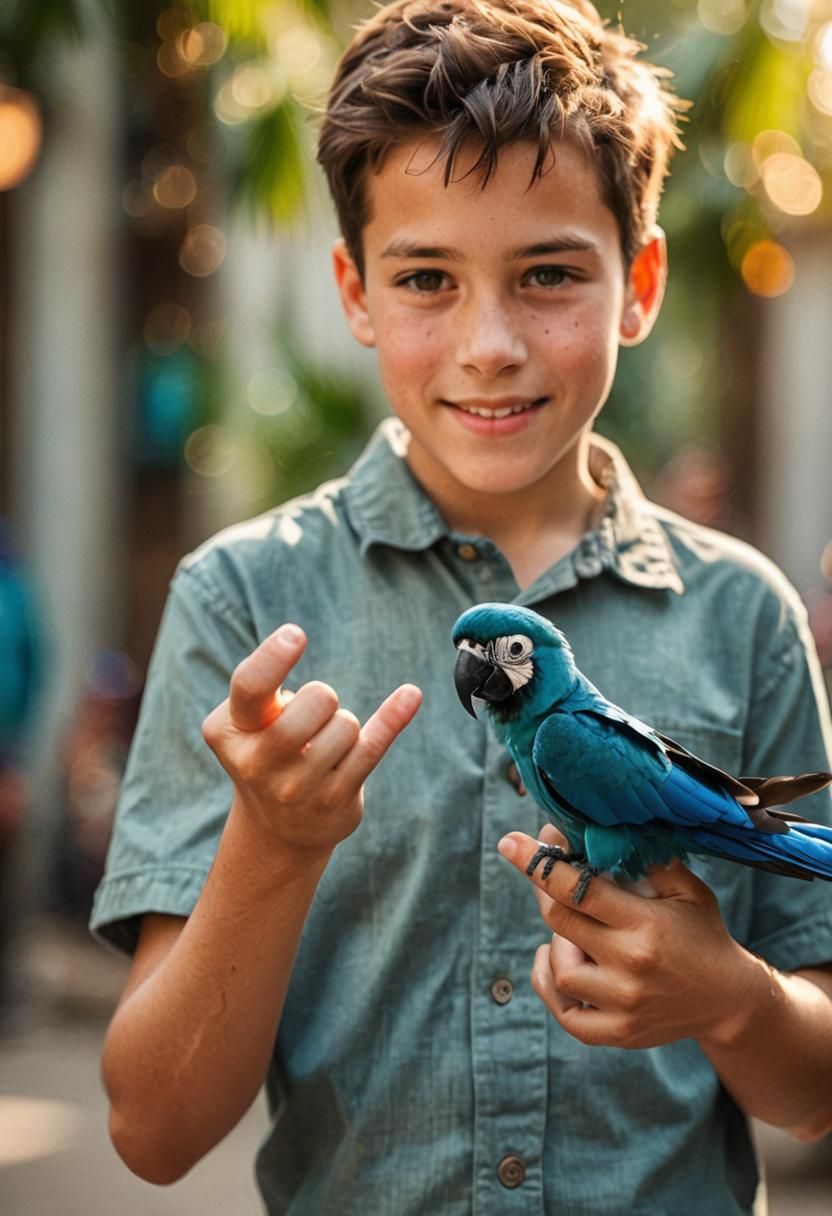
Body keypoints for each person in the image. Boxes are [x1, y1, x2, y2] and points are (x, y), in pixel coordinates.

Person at [91, 2, 832, 1212]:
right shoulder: (243, 602)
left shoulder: (742, 612)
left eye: (547, 275)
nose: (490, 345)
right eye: (427, 277)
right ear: (355, 293)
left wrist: (734, 998)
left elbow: (810, 1095)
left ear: (638, 284)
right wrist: (271, 848)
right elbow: (155, 1128)